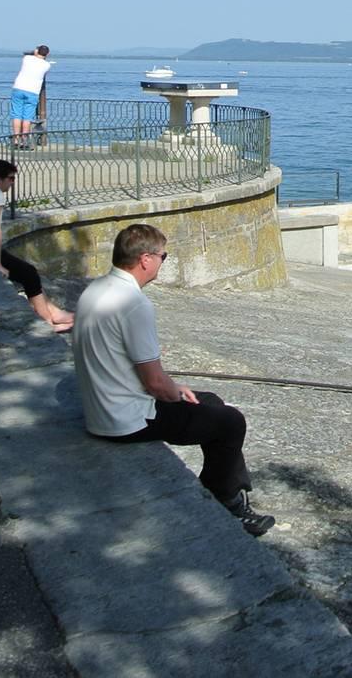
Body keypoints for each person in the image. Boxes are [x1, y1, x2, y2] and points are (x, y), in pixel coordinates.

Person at [72, 224, 275, 537]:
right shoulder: (134, 304)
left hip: (102, 409)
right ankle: (224, 501)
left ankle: (232, 493)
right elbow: (154, 382)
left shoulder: (96, 289)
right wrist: (173, 393)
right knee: (232, 422)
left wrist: (178, 390)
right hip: (127, 420)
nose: (163, 262)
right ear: (145, 260)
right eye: (163, 256)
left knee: (210, 403)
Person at [0, 159, 74, 330]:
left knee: (26, 271)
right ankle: (47, 321)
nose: (12, 182)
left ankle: (54, 312)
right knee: (29, 273)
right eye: (10, 178)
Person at [10, 44, 53, 147]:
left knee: (16, 115)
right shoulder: (47, 65)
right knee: (27, 117)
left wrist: (35, 52)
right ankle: (24, 140)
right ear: (47, 54)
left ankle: (16, 140)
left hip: (18, 88)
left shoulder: (27, 59)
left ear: (36, 51)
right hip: (32, 91)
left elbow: (28, 54)